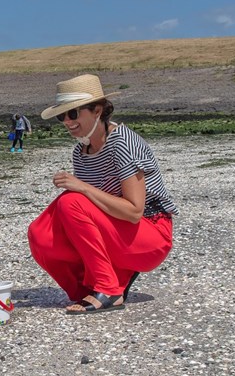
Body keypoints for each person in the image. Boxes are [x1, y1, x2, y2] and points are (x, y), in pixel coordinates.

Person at [27, 74, 178, 315]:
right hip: (118, 230)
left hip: (151, 232)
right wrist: (79, 190)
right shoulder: (81, 152)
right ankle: (89, 289)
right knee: (40, 233)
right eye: (62, 115)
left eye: (73, 113)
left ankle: (109, 289)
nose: (66, 121)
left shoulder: (122, 144)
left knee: (70, 202)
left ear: (97, 110)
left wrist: (81, 187)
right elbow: (90, 211)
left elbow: (134, 211)